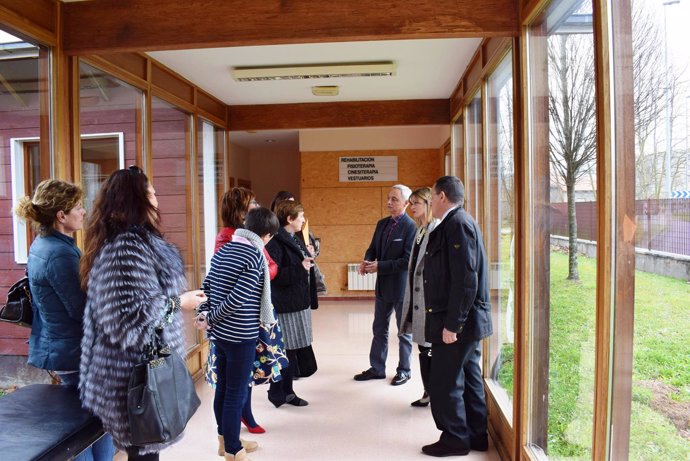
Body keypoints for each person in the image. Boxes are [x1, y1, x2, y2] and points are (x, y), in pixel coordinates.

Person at [78, 166, 207, 461]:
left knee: (146, 452)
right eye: (151, 192)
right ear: (135, 199)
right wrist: (179, 302)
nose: (157, 198)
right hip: (131, 378)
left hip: (142, 373)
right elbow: (126, 319)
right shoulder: (126, 248)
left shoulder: (138, 244)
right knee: (143, 453)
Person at [14, 179, 114, 461]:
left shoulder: (47, 245)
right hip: (74, 352)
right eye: (79, 207)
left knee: (94, 423)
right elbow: (81, 309)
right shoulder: (58, 253)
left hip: (66, 348)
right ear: (61, 216)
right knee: (84, 429)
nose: (83, 212)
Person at [195, 207, 280, 461]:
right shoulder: (255, 256)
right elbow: (238, 298)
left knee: (223, 387)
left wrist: (205, 314)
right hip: (241, 334)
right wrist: (210, 316)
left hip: (219, 335)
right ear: (266, 236)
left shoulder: (225, 250)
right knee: (236, 391)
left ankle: (224, 440)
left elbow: (207, 286)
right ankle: (233, 449)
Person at [421, 176, 493, 457]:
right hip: (466, 321)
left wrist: (453, 324)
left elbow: (466, 280)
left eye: (430, 197)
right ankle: (476, 435)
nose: (429, 204)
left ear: (441, 196)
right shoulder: (458, 222)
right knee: (469, 377)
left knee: (444, 381)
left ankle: (454, 439)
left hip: (457, 322)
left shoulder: (457, 225)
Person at [208, 187, 277, 434]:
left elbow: (272, 266)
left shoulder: (246, 238)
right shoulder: (231, 239)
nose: (256, 207)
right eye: (252, 204)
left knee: (238, 379)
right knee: (232, 386)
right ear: (239, 211)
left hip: (242, 316)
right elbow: (262, 272)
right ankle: (231, 442)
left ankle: (230, 435)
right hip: (236, 321)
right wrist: (210, 317)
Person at [354, 184, 416, 385]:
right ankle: (377, 368)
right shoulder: (381, 224)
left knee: (403, 332)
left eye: (394, 199)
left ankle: (404, 370)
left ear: (406, 203)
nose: (389, 202)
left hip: (401, 288)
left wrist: (379, 266)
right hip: (382, 288)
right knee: (379, 329)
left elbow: (407, 261)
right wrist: (367, 261)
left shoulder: (411, 227)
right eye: (388, 198)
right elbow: (372, 249)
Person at [265, 200, 318, 407]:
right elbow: (275, 276)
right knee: (286, 352)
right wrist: (301, 267)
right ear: (289, 219)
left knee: (292, 352)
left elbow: (299, 262)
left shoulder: (293, 237)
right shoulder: (276, 241)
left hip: (297, 303)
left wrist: (308, 256)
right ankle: (280, 392)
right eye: (301, 217)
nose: (304, 221)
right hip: (287, 306)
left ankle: (286, 391)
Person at [399, 187, 438, 407]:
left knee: (427, 348)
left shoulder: (434, 229)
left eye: (416, 203)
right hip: (416, 297)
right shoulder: (420, 229)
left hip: (427, 299)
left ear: (428, 204)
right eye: (411, 203)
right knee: (423, 348)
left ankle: (431, 393)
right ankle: (428, 391)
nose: (412, 207)